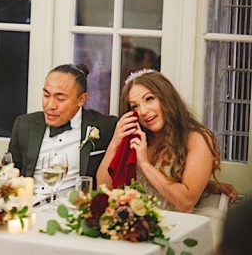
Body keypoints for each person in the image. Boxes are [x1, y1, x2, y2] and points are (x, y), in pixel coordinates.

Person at [96, 69, 233, 243]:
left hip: (176, 230)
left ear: (166, 97)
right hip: (134, 228)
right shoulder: (135, 138)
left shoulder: (197, 139)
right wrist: (115, 142)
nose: (143, 111)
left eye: (149, 99)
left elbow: (186, 202)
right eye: (134, 106)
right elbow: (102, 188)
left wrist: (144, 164)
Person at [7, 64, 118, 197]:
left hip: (73, 207)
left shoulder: (106, 127)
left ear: (81, 99)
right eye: (46, 95)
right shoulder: (24, 125)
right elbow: (10, 173)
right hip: (30, 204)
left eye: (60, 99)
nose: (50, 105)